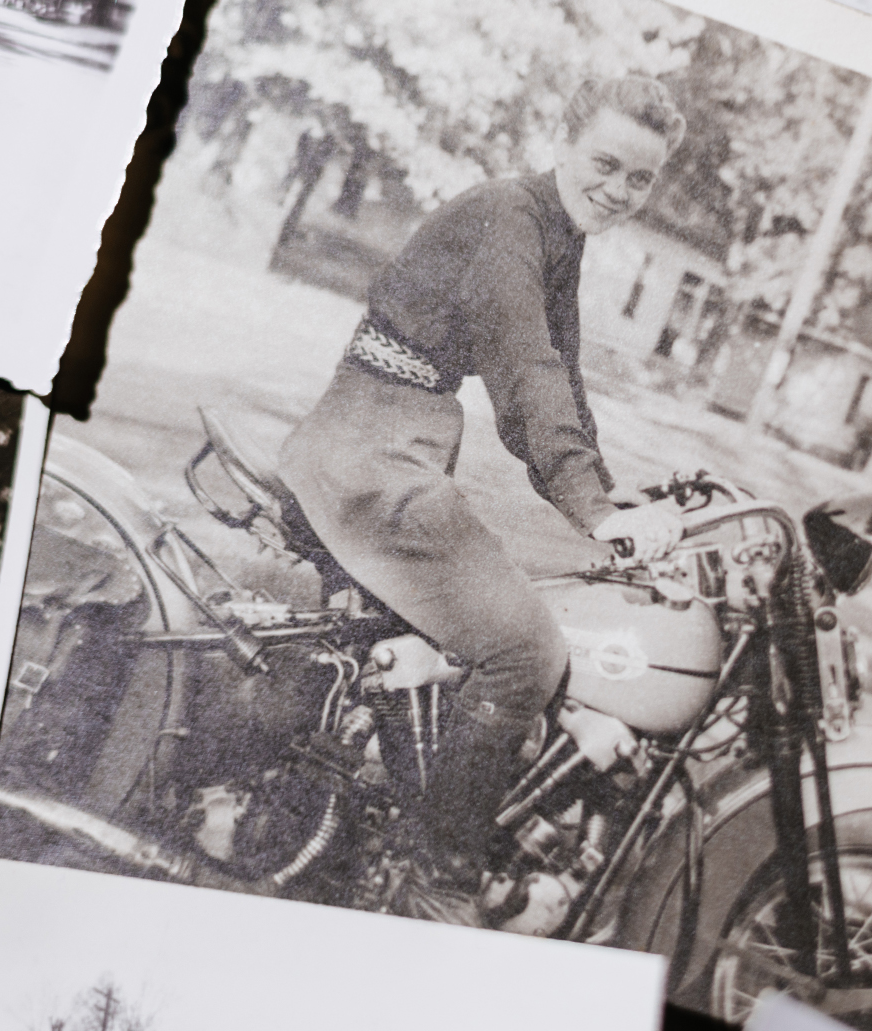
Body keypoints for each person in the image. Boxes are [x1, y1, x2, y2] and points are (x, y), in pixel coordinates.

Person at [276, 75, 688, 916]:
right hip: (369, 454)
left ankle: (400, 825)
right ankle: (436, 878)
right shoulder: (510, 219)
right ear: (566, 140)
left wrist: (612, 497)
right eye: (606, 163)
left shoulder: (556, 232)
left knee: (499, 623)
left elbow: (560, 380)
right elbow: (525, 372)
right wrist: (597, 511)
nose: (619, 189)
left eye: (640, 179)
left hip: (391, 442)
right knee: (526, 650)